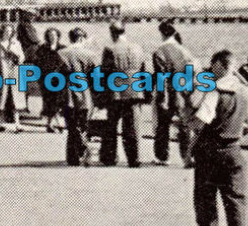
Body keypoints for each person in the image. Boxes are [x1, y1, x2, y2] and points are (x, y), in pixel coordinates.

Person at [188, 49, 248, 226]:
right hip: (234, 152)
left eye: (213, 65)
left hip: (210, 153)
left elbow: (201, 122)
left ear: (220, 65)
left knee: (205, 200)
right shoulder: (246, 91)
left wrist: (186, 122)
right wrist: (237, 131)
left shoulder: (214, 91)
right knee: (235, 203)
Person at [99, 20, 146, 167]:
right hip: (135, 91)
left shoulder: (110, 49)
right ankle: (134, 158)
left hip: (116, 92)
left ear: (112, 33)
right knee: (133, 127)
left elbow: (105, 73)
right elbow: (144, 71)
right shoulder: (138, 48)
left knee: (111, 127)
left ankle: (109, 157)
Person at [151, 21, 196, 168]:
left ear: (163, 33)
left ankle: (162, 157)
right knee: (184, 127)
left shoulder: (159, 52)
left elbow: (161, 78)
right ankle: (186, 157)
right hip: (182, 93)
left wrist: (161, 97)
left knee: (162, 126)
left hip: (167, 93)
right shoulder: (185, 51)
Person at [59, 27, 97, 165]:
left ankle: (72, 156)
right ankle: (83, 147)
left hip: (66, 93)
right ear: (81, 39)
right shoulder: (89, 54)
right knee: (83, 123)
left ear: (70, 38)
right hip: (84, 93)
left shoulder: (61, 53)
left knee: (71, 125)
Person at [30, 27, 68, 133]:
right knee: (49, 100)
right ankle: (54, 123)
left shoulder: (63, 48)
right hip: (46, 78)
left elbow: (66, 64)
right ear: (47, 36)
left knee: (59, 100)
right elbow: (37, 63)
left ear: (58, 36)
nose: (52, 37)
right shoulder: (42, 48)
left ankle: (53, 123)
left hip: (60, 79)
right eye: (50, 35)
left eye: (54, 35)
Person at [0, 23, 24, 132]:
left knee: (15, 97)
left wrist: (16, 55)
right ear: (2, 31)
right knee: (2, 97)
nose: (8, 33)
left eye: (10, 31)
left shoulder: (16, 43)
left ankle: (17, 123)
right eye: (6, 31)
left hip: (14, 72)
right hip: (2, 72)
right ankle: (1, 122)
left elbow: (22, 57)